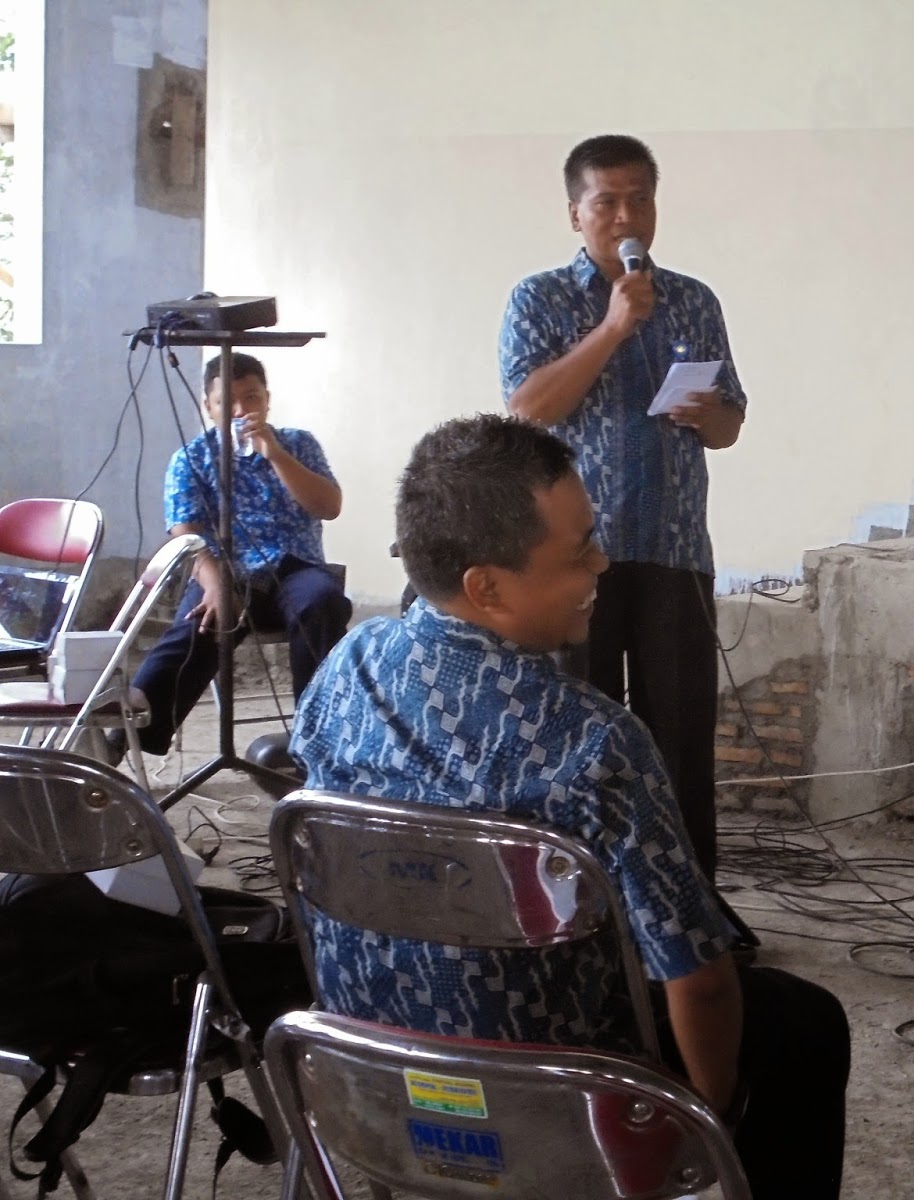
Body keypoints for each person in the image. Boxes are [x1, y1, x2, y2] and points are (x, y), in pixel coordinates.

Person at [289, 414, 849, 1199]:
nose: (603, 561)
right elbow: (700, 982)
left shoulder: (345, 668)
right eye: (578, 549)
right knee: (806, 1021)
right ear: (486, 585)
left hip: (369, 1082)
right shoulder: (592, 740)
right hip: (553, 1103)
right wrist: (706, 1117)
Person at [498, 133, 743, 881]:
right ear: (576, 213)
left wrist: (706, 415)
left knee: (680, 736)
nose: (626, 213)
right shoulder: (539, 298)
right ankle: (581, 898)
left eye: (641, 197)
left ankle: (690, 900)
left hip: (672, 549)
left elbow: (731, 424)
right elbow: (526, 409)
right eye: (608, 201)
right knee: (580, 734)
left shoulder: (695, 300)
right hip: (574, 558)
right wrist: (612, 328)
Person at [116, 352, 349, 760]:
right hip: (225, 573)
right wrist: (215, 583)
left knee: (324, 601)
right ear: (209, 407)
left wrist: (275, 454)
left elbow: (329, 505)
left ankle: (319, 743)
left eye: (252, 397)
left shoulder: (297, 443)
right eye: (228, 402)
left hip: (294, 572)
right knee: (197, 627)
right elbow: (185, 534)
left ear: (267, 399)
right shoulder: (190, 458)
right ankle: (127, 737)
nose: (242, 411)